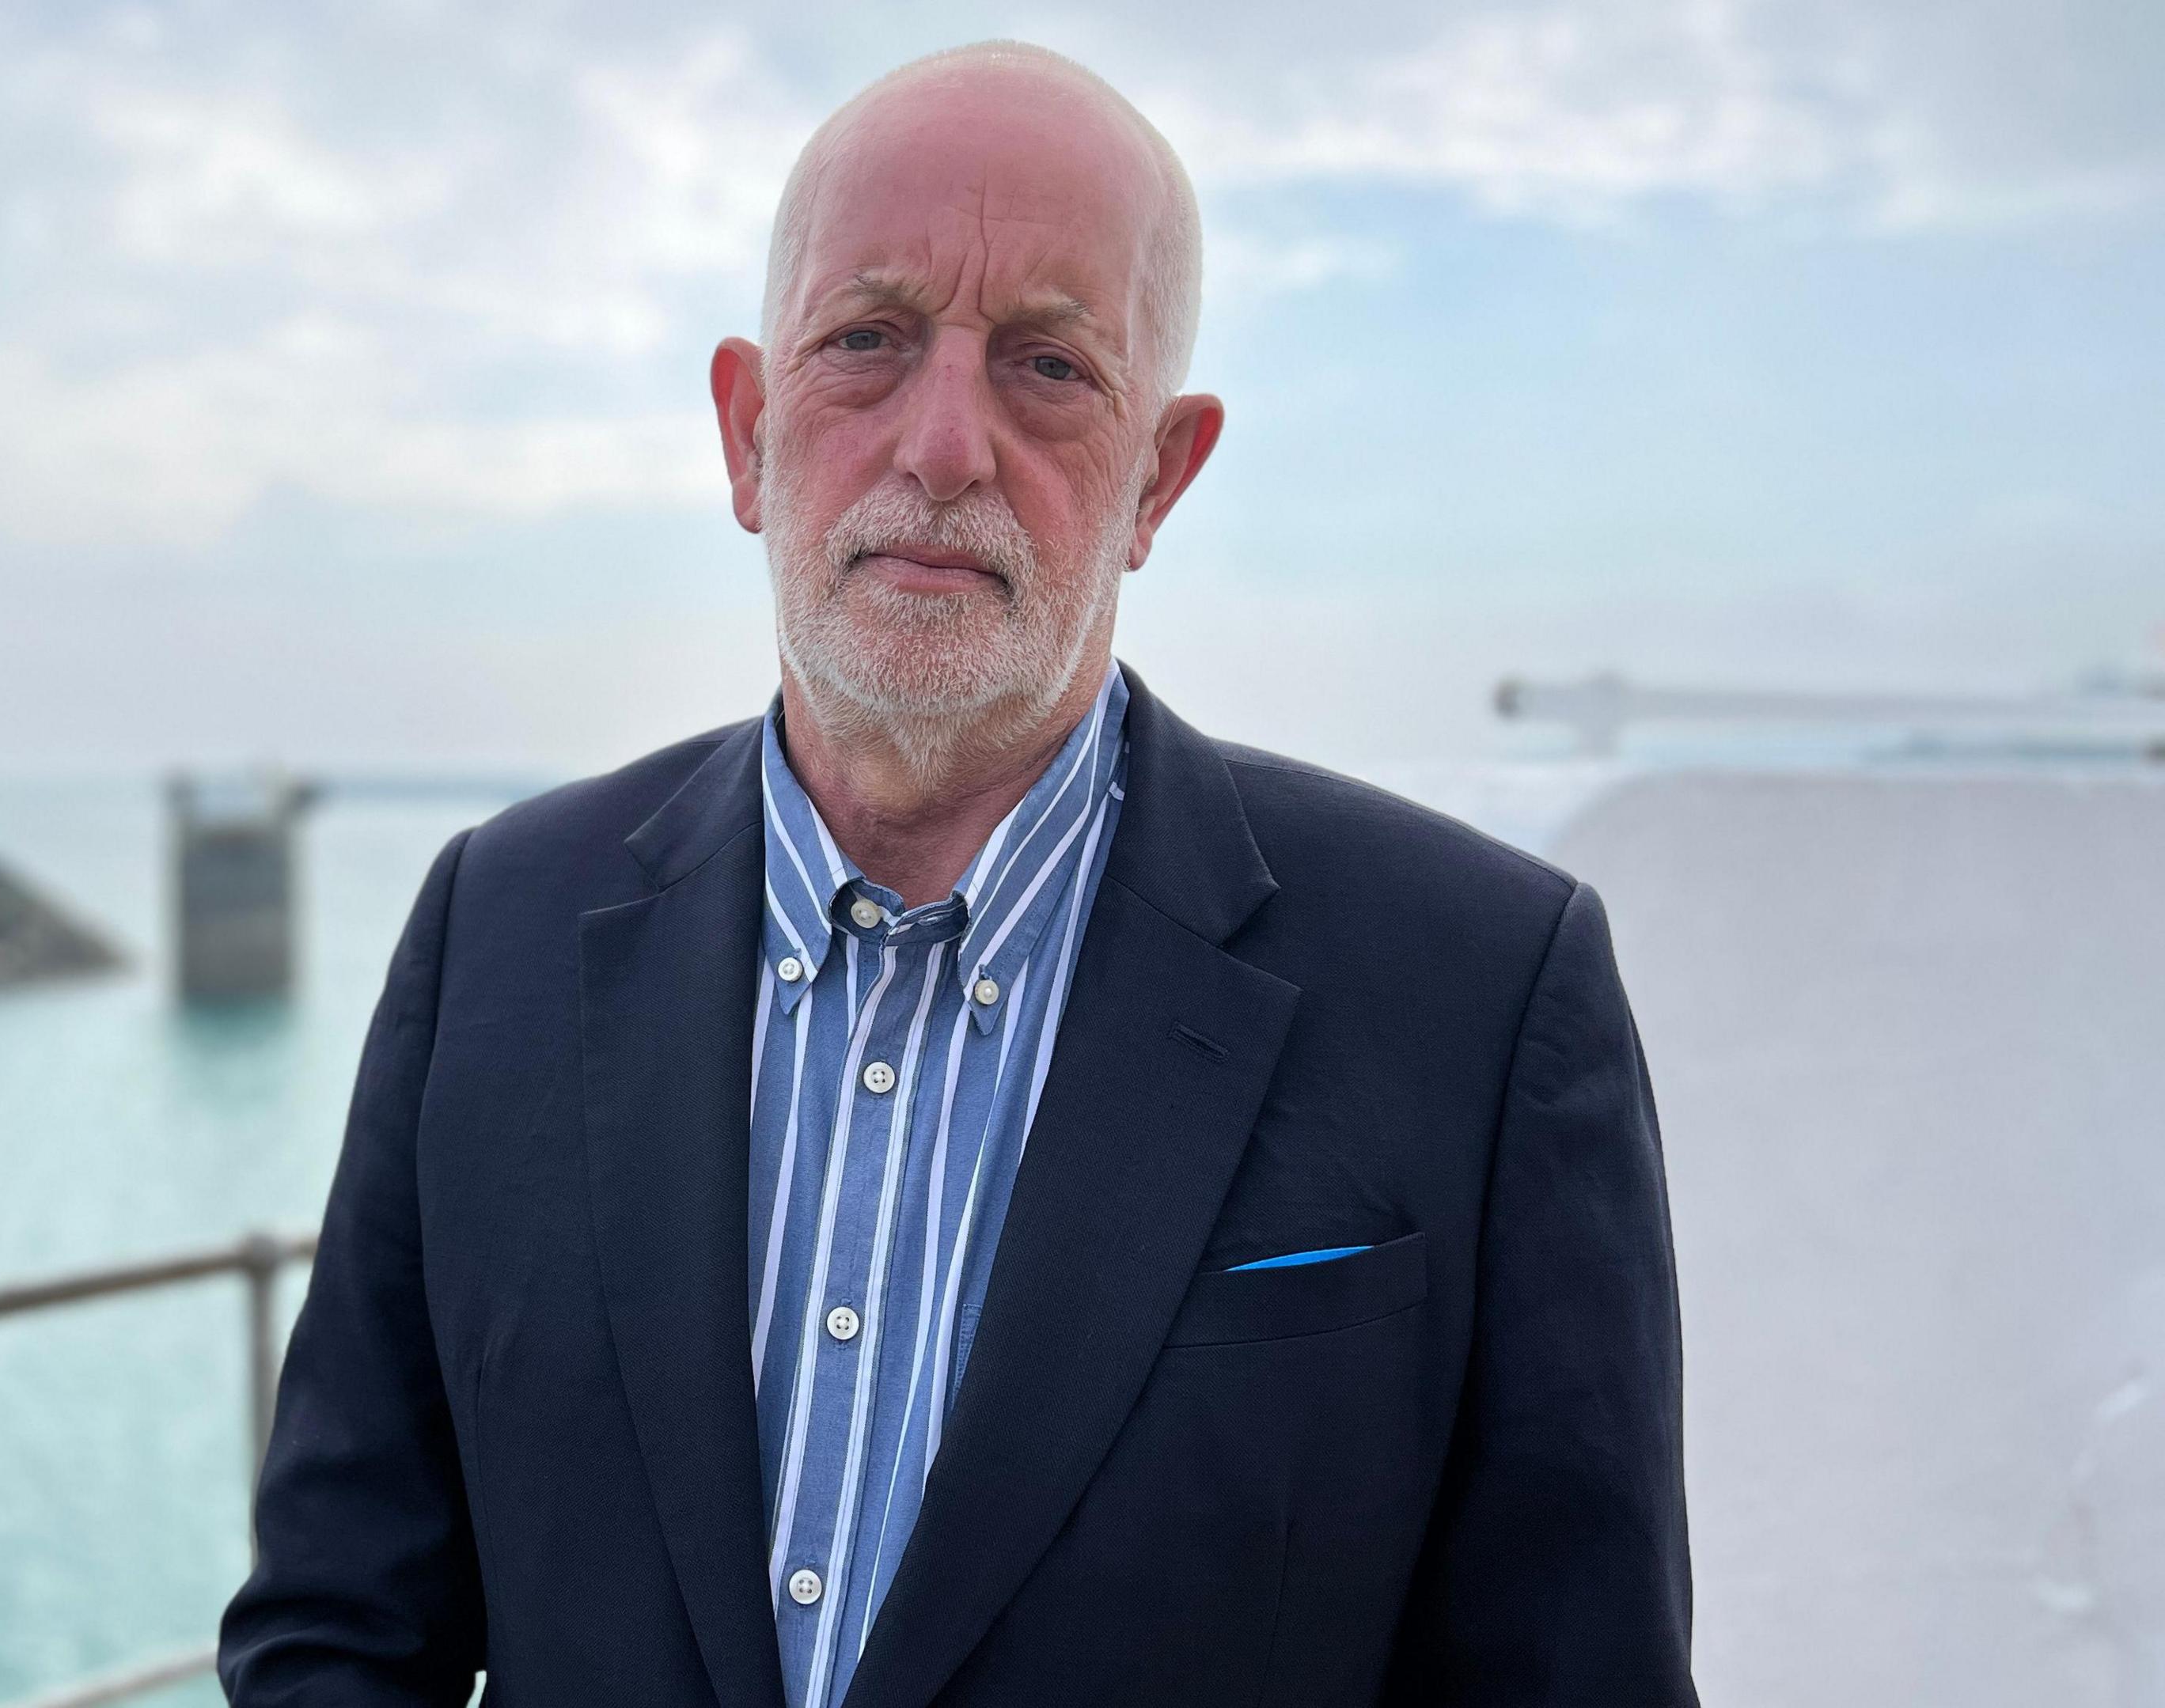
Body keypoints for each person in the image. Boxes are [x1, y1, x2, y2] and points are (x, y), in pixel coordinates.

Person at [219, 40, 1694, 1708]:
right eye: (869, 340)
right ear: (748, 433)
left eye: (1049, 367)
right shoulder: (497, 932)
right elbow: (338, 1631)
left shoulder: (1480, 1000)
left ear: (1161, 473)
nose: (942, 445)